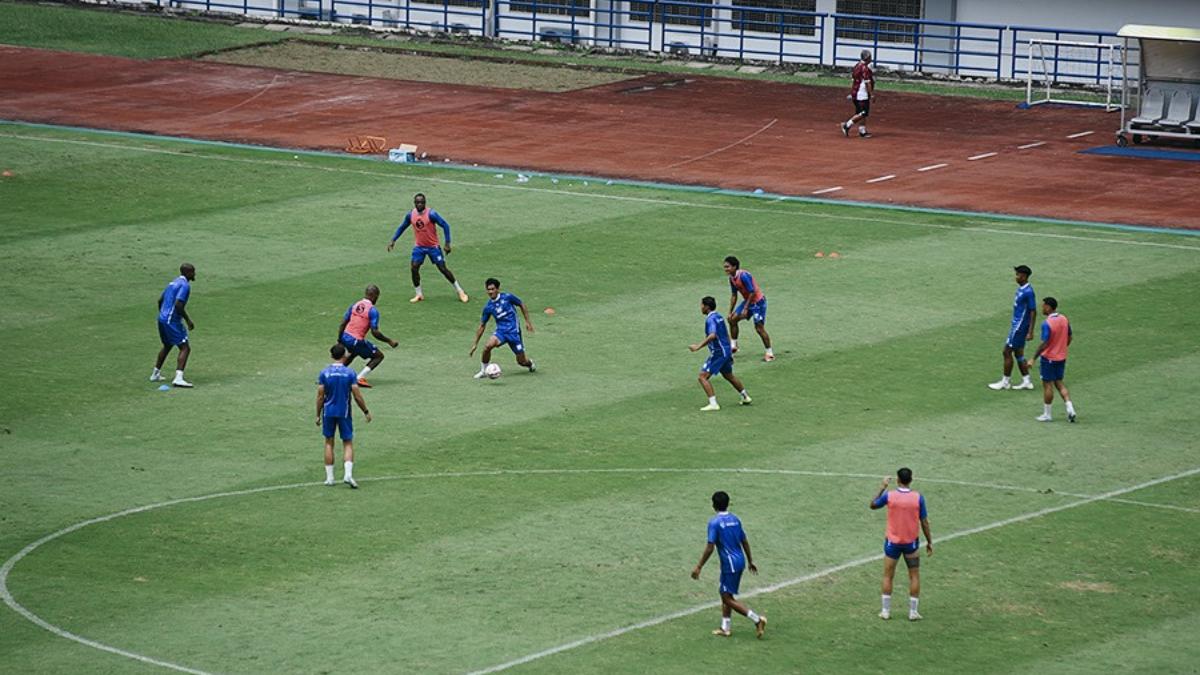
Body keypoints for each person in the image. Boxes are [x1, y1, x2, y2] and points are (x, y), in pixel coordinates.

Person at [691, 490, 767, 639]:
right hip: (739, 561)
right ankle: (725, 627)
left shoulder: (714, 523)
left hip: (730, 564)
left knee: (726, 598)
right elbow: (744, 540)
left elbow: (710, 547)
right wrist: (750, 561)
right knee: (726, 593)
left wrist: (699, 566)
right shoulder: (736, 519)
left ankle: (757, 620)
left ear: (713, 505)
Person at [869, 468, 933, 621]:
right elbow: (924, 522)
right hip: (911, 543)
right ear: (911, 480)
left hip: (893, 543)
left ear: (897, 480)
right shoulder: (918, 498)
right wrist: (929, 541)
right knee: (914, 576)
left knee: (888, 575)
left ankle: (885, 611)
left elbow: (872, 505)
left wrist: (882, 487)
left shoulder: (890, 496)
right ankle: (913, 612)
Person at [386, 193, 469, 303]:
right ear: (414, 203)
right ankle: (419, 294)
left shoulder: (432, 214)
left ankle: (460, 291)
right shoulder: (411, 215)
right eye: (418, 202)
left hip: (433, 247)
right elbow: (402, 227)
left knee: (442, 269)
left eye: (422, 202)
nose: (420, 204)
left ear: (425, 203)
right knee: (414, 267)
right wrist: (393, 240)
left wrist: (447, 243)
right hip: (419, 247)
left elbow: (445, 225)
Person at [316, 343, 372, 489]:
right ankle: (347, 474)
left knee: (329, 442)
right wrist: (365, 411)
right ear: (345, 355)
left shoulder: (324, 373)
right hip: (344, 412)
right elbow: (357, 395)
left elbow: (320, 396)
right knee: (347, 442)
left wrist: (317, 414)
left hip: (328, 412)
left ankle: (330, 478)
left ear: (331, 356)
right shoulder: (350, 373)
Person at [689, 296, 751, 411]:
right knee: (729, 376)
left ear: (706, 307)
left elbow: (712, 335)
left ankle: (713, 404)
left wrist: (698, 346)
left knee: (702, 377)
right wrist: (730, 351)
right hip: (725, 351)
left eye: (702, 305)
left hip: (719, 353)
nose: (701, 307)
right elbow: (725, 334)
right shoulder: (719, 317)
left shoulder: (710, 319)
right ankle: (745, 396)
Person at [470, 278, 536, 378]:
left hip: (514, 333)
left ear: (498, 289)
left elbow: (521, 304)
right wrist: (475, 344)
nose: (490, 292)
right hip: (501, 332)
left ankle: (529, 363)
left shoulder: (508, 297)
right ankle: (483, 371)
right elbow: (482, 325)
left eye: (492, 289)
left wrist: (527, 321)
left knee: (521, 361)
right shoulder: (488, 307)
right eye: (488, 289)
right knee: (487, 346)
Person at [336, 285, 399, 388]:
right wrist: (389, 341)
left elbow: (343, 323)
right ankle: (360, 377)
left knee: (353, 353)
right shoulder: (372, 310)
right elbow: (375, 332)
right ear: (375, 296)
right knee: (378, 356)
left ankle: (332, 375)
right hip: (356, 339)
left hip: (345, 336)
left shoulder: (355, 305)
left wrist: (340, 339)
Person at [989, 265, 1037, 391]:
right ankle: (1026, 381)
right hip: (1017, 325)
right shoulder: (1021, 289)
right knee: (1019, 354)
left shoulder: (1028, 292)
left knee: (1006, 351)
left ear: (1025, 276)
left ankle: (1005, 382)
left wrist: (1030, 331)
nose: (1016, 277)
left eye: (1018, 275)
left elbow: (1033, 311)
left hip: (1019, 327)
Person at [151, 263, 197, 388]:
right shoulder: (185, 286)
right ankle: (178, 378)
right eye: (193, 272)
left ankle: (155, 373)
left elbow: (160, 300)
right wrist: (188, 320)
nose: (195, 274)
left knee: (167, 345)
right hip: (171, 320)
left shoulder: (172, 283)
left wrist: (163, 315)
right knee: (185, 347)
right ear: (187, 273)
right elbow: (178, 304)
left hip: (162, 318)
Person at [1032, 296, 1077, 423]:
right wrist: (1061, 347)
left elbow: (1044, 343)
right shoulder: (1064, 319)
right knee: (1060, 383)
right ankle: (1070, 408)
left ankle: (1047, 414)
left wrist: (1034, 358)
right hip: (1061, 357)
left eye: (1043, 306)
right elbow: (1069, 337)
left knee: (1047, 385)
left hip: (1049, 358)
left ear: (1048, 307)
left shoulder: (1047, 323)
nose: (1042, 308)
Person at [724, 256, 774, 362]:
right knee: (732, 319)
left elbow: (752, 292)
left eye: (728, 267)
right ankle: (734, 346)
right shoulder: (732, 279)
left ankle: (769, 353)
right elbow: (734, 295)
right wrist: (730, 311)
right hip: (748, 301)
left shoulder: (744, 276)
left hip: (758, 303)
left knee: (759, 328)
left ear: (734, 267)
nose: (726, 269)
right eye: (725, 267)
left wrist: (746, 308)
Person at [841, 49, 875, 138]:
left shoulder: (857, 66)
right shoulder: (864, 68)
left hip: (856, 93)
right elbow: (868, 82)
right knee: (863, 113)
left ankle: (862, 131)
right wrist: (871, 94)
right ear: (867, 58)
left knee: (860, 113)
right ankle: (847, 125)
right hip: (861, 94)